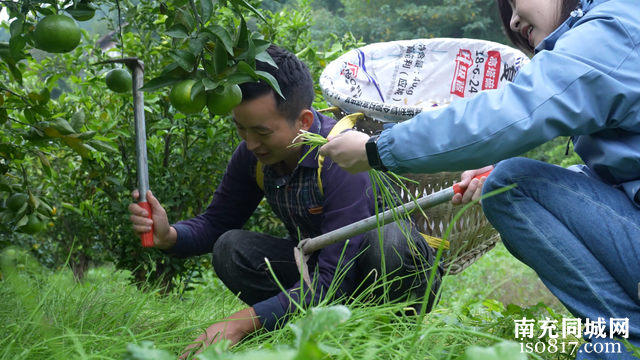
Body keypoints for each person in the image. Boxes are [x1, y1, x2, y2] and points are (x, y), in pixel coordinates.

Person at [318, 0, 640, 358]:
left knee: (512, 181)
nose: (515, 20)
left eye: (516, 2)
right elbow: (617, 184)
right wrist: (546, 186)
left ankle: (623, 343)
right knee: (510, 181)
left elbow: (512, 109)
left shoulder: (613, 29)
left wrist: (378, 148)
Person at [128, 45, 442, 356]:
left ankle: (390, 340)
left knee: (387, 239)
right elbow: (217, 222)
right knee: (231, 248)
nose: (250, 143)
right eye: (241, 128)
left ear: (304, 121)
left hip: (384, 272)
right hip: (319, 272)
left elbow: (335, 280)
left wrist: (240, 322)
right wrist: (170, 235)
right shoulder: (254, 156)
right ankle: (318, 331)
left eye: (262, 133)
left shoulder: (341, 160)